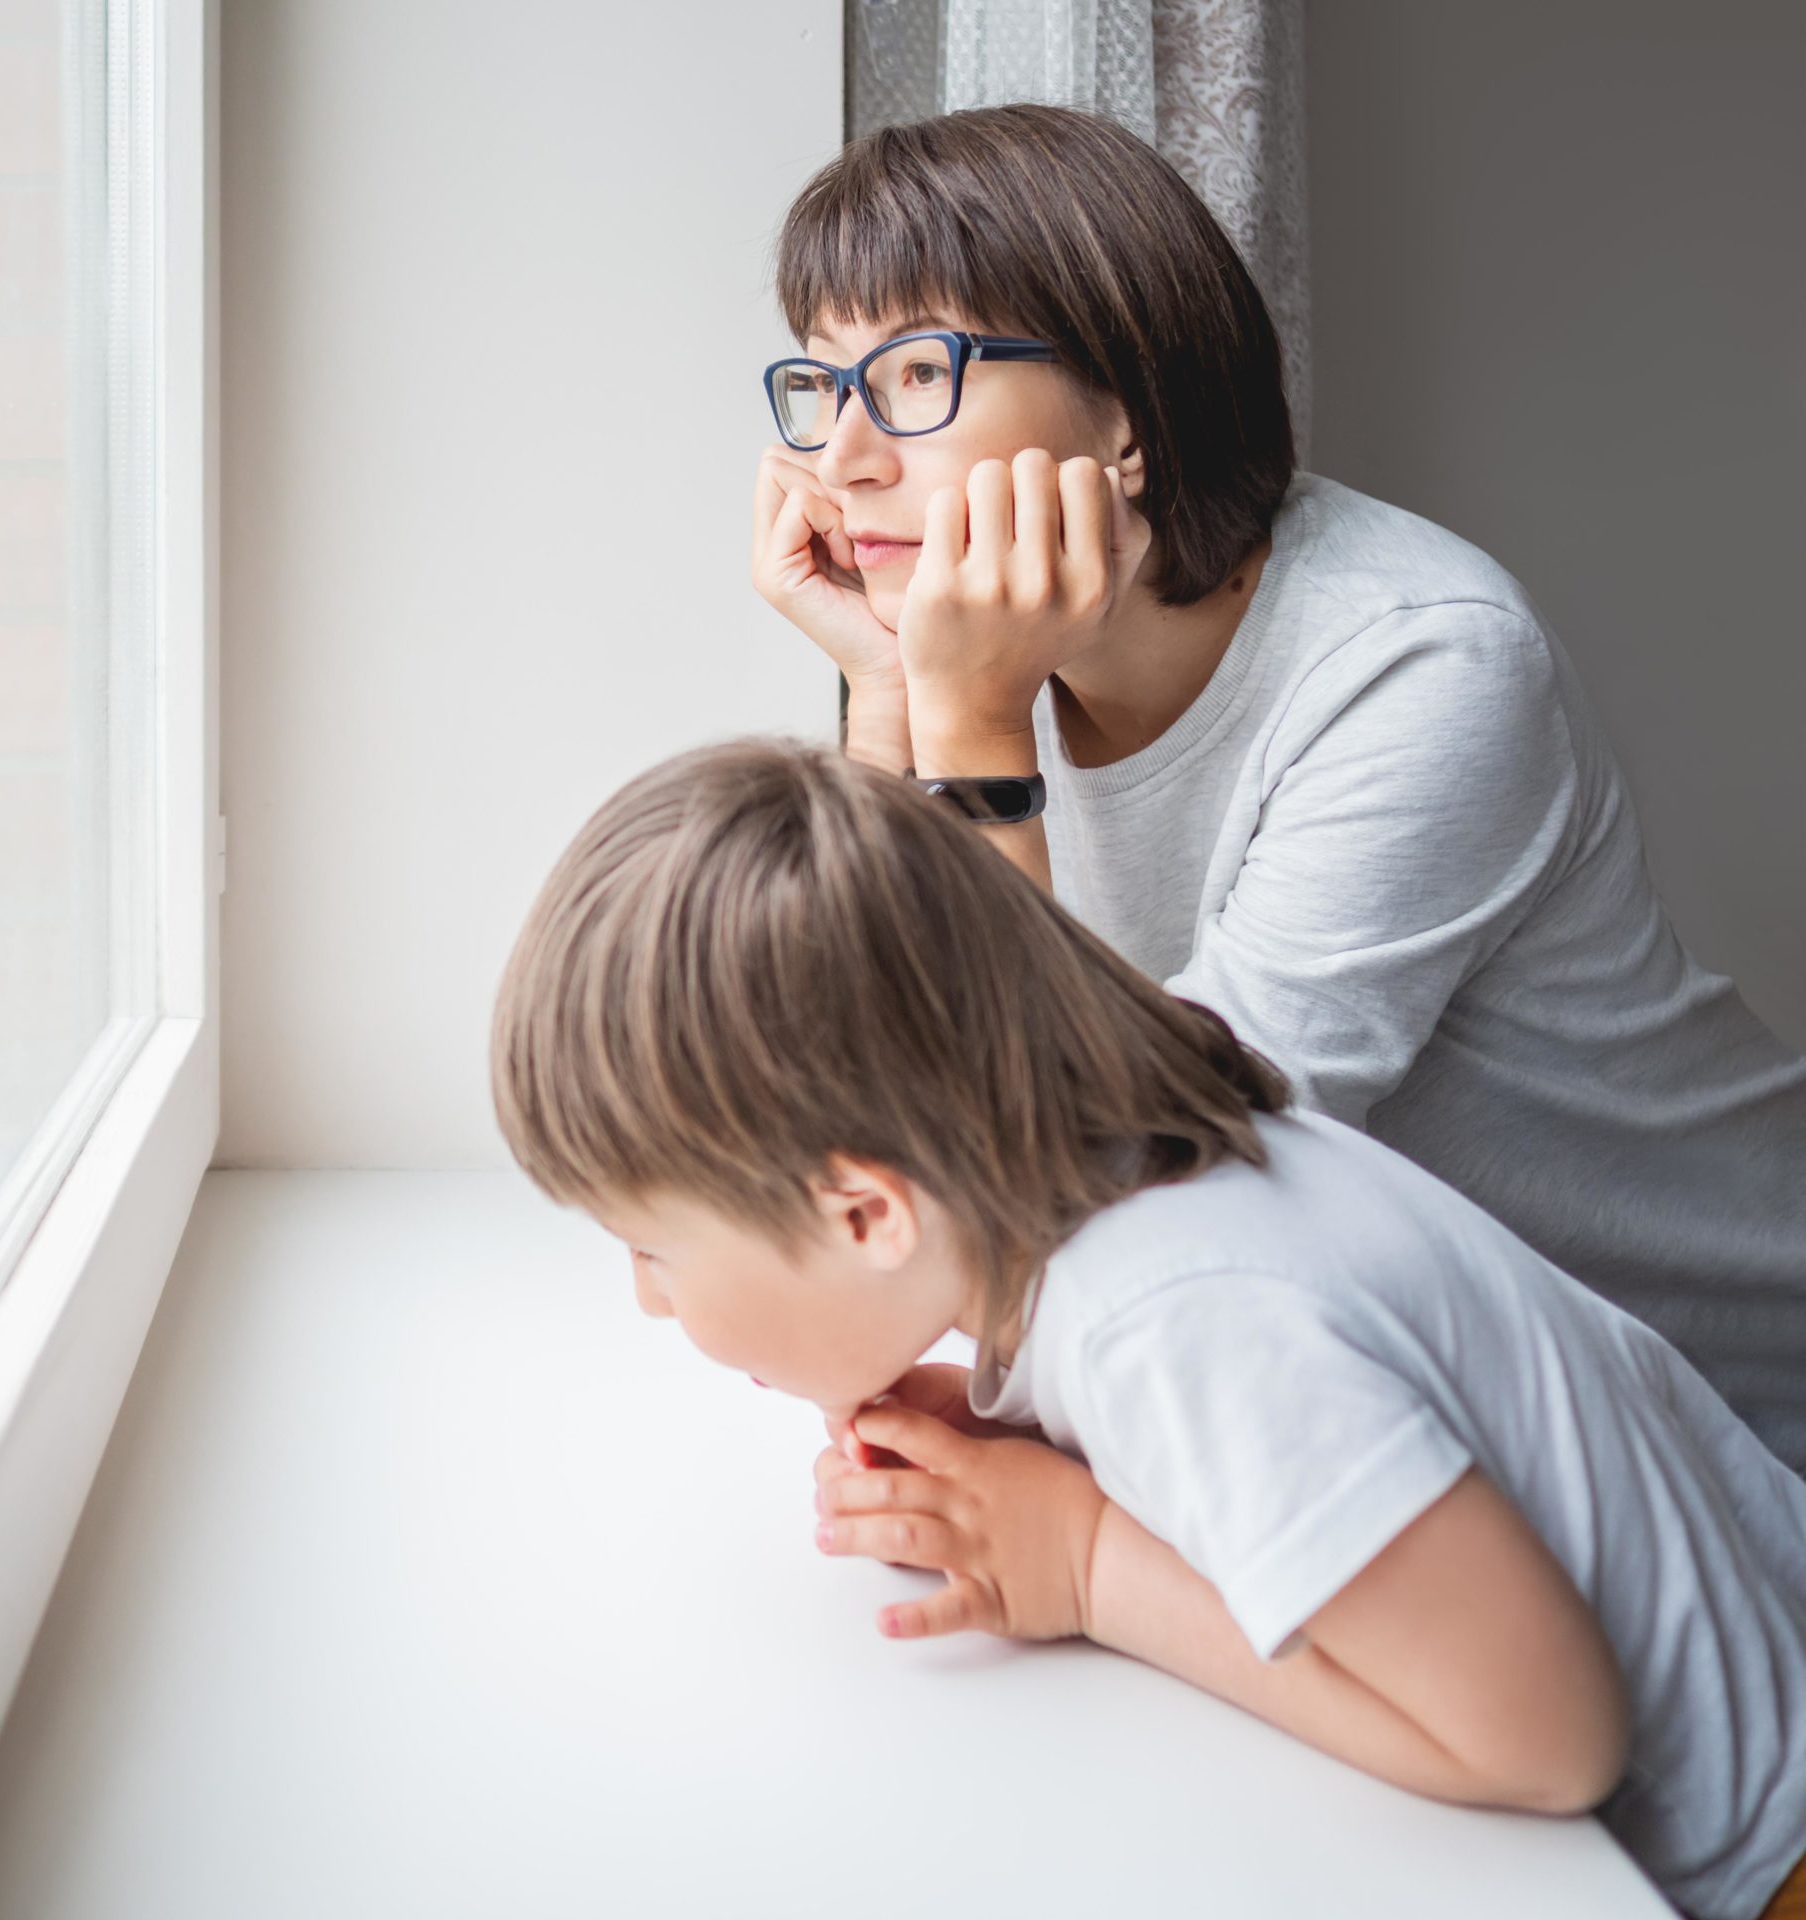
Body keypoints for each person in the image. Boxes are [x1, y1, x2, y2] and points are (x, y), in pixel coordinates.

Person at [488, 736, 1806, 1919]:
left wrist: (1090, 1565)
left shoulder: (1173, 1320)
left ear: (864, 1214)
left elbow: (1540, 1737)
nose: (648, 1300)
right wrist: (1045, 1449)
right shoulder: (1159, 1145)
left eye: (653, 1250)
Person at [749, 105, 1806, 1472]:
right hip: (1440, 1410)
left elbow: (1158, 1194)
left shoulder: (1426, 662)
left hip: (1735, 1417)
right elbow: (880, 1090)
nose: (844, 460)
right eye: (822, 389)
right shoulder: (969, 663)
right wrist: (890, 703)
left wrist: (968, 723)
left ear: (1126, 422)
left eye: (911, 378)